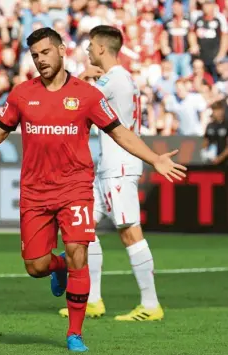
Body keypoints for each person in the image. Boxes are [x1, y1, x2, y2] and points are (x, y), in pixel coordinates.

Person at [0, 27, 187, 352]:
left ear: (62, 50)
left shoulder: (88, 96)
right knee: (36, 266)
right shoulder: (22, 95)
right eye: (35, 56)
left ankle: (74, 333)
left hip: (75, 188)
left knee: (81, 252)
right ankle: (58, 265)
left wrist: (154, 158)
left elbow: (120, 132)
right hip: (35, 192)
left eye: (45, 53)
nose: (40, 60)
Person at [58, 25, 164, 322]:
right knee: (82, 232)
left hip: (119, 168)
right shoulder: (117, 79)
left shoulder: (114, 79)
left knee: (130, 233)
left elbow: (76, 104)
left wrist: (69, 81)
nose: (88, 50)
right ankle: (92, 300)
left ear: (102, 48)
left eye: (91, 45)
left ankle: (151, 304)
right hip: (107, 168)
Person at [202, 99, 228, 166]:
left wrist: (219, 158)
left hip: (224, 162)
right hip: (211, 161)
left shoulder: (226, 125)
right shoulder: (209, 125)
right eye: (214, 110)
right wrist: (205, 153)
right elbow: (205, 142)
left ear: (222, 110)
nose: (216, 112)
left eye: (218, 109)